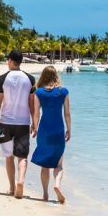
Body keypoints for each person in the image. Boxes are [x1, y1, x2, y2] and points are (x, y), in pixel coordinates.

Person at [0, 50, 36, 199]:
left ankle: (11, 187)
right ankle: (20, 181)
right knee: (22, 157)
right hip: (23, 123)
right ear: (21, 62)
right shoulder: (30, 79)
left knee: (9, 156)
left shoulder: (2, 79)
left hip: (5, 123)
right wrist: (35, 122)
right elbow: (32, 103)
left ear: (9, 61)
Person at [31, 66, 71, 204]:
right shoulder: (63, 92)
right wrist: (69, 129)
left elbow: (36, 114)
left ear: (43, 76)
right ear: (56, 76)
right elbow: (67, 114)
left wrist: (34, 128)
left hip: (44, 131)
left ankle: (45, 194)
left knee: (45, 165)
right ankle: (57, 185)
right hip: (58, 130)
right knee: (58, 165)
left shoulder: (39, 92)